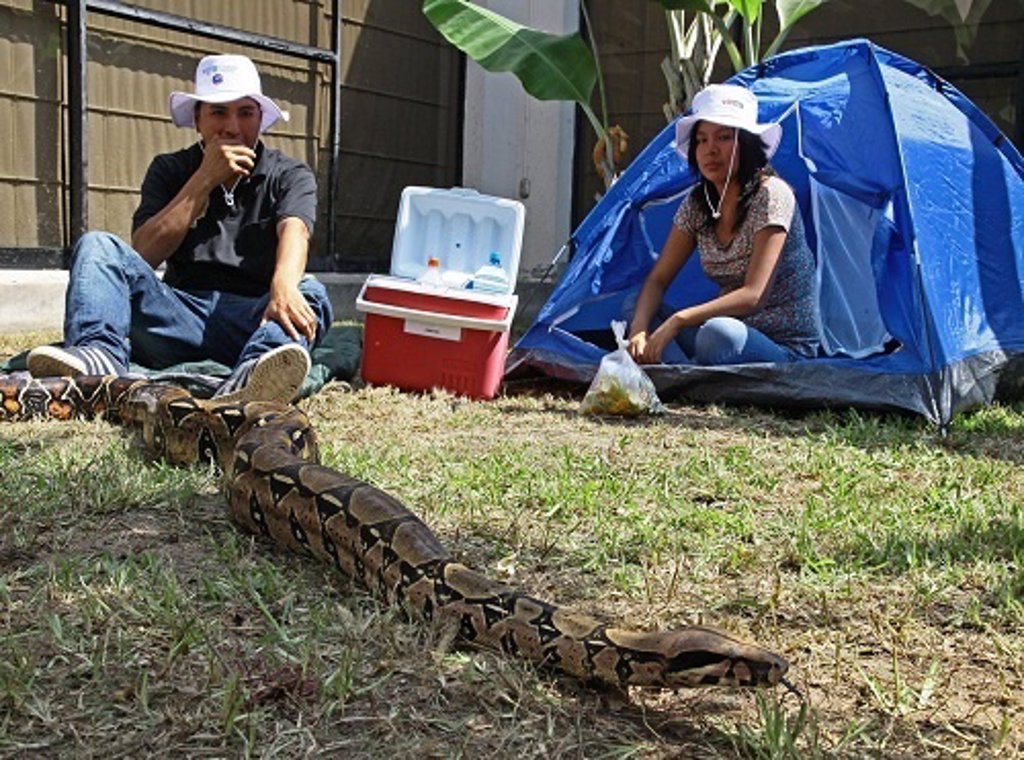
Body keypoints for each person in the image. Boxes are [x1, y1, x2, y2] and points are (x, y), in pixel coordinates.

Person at [27, 53, 334, 404]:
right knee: (97, 245)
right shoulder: (170, 169)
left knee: (311, 291)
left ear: (261, 118)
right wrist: (203, 179)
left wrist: (283, 285)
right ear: (197, 119)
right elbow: (143, 253)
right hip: (175, 316)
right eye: (219, 111)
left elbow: (295, 229)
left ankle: (258, 369)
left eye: (246, 112)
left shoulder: (289, 174)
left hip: (256, 318)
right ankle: (99, 356)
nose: (232, 126)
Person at [627, 83, 819, 366]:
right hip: (717, 335)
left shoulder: (773, 194)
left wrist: (679, 320)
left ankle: (678, 373)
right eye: (701, 140)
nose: (710, 150)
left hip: (777, 346)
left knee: (717, 334)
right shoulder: (697, 203)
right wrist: (639, 331)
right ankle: (682, 373)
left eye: (724, 137)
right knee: (636, 305)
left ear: (747, 143)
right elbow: (659, 279)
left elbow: (754, 296)